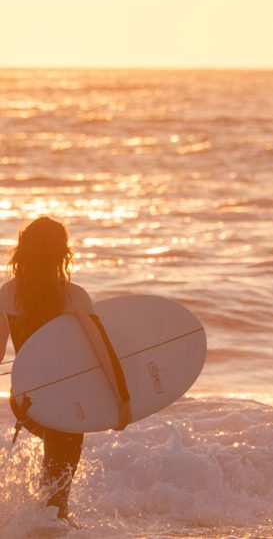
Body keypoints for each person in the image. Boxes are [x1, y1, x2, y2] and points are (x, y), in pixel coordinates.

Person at [0, 217, 130, 521]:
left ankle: (30, 523)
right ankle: (49, 524)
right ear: (62, 252)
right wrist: (122, 403)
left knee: (51, 476)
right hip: (69, 403)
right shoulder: (74, 296)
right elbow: (104, 355)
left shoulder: (5, 294)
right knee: (59, 493)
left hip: (26, 402)